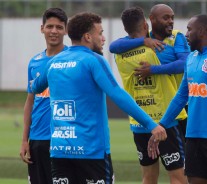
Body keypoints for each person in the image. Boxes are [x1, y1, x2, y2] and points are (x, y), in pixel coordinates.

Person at [31, 12, 166, 184]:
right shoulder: (93, 60)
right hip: (91, 151)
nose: (103, 39)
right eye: (100, 33)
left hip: (59, 151)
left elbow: (35, 87)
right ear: (88, 37)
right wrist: (150, 124)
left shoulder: (53, 62)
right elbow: (117, 94)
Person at [149, 14, 207, 184]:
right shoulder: (191, 59)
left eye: (189, 29)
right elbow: (180, 97)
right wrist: (161, 126)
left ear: (201, 32)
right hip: (193, 137)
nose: (185, 34)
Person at [114, 7, 188, 184]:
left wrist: (152, 67)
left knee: (148, 176)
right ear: (149, 21)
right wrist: (146, 43)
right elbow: (186, 64)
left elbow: (113, 46)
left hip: (140, 121)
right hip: (169, 118)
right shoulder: (156, 50)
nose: (170, 21)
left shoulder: (121, 53)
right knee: (178, 176)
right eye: (166, 18)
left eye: (172, 17)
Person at [19, 8, 68, 184]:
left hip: (64, 139)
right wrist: (25, 140)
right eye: (50, 26)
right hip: (37, 140)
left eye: (59, 27)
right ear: (42, 29)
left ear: (66, 30)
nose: (54, 31)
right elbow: (30, 101)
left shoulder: (72, 59)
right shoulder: (35, 62)